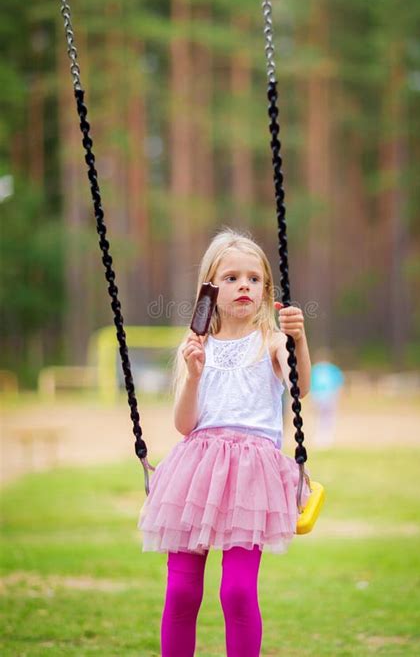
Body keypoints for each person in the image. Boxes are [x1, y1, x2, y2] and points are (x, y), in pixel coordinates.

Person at [138, 227, 312, 657]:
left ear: (266, 290)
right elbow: (184, 424)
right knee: (181, 593)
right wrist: (194, 375)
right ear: (210, 291)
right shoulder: (198, 344)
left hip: (251, 477)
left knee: (236, 592)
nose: (243, 286)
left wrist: (299, 340)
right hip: (195, 472)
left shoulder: (271, 341)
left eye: (253, 279)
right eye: (231, 278)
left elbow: (299, 385)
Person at [309, 351, 344, 449]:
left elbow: (338, 383)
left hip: (327, 396)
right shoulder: (320, 370)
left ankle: (325, 436)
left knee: (326, 417)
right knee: (323, 417)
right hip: (322, 396)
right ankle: (321, 436)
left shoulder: (328, 369)